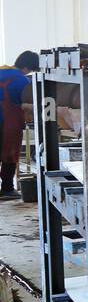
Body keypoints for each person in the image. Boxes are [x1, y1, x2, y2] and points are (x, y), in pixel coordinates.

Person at [0, 51, 37, 200]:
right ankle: (7, 188)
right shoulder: (21, 80)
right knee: (10, 152)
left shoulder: (2, 71)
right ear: (27, 67)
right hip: (8, 121)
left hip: (6, 119)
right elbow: (28, 104)